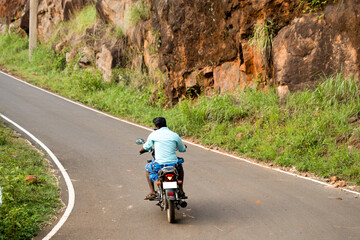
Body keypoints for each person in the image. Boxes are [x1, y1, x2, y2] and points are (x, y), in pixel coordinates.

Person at [139, 117, 187, 200]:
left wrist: (141, 150)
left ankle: (153, 192)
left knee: (147, 168)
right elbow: (182, 149)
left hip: (159, 165)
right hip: (173, 164)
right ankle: (181, 190)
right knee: (180, 167)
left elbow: (146, 147)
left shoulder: (153, 134)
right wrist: (184, 147)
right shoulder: (174, 135)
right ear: (165, 124)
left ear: (156, 126)